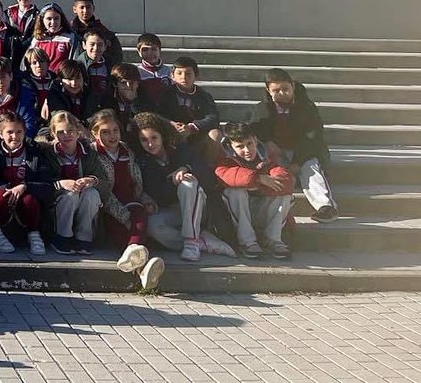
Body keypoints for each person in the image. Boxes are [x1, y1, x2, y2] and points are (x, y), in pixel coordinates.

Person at [132, 112, 233, 261]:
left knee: (188, 182)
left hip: (198, 206)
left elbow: (207, 174)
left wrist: (186, 168)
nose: (150, 144)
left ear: (162, 135)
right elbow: (159, 196)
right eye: (144, 140)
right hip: (173, 209)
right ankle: (203, 242)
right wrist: (171, 181)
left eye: (154, 138)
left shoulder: (178, 148)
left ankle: (192, 242)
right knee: (152, 225)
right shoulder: (143, 162)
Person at [88, 111, 165, 292]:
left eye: (115, 130)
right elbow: (103, 191)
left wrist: (146, 199)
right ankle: (142, 270)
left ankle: (136, 261)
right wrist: (121, 213)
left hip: (131, 202)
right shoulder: (92, 154)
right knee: (131, 225)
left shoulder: (126, 151)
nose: (112, 136)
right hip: (107, 208)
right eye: (106, 132)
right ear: (94, 133)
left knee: (139, 216)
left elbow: (135, 183)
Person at [249, 68, 338, 223]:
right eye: (276, 90)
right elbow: (255, 131)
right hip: (276, 151)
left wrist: (297, 161)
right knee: (273, 167)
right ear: (268, 90)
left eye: (285, 89)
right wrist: (269, 142)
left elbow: (313, 138)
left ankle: (326, 207)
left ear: (293, 86)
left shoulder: (307, 107)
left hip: (303, 150)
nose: (282, 94)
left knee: (310, 167)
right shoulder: (262, 108)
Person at [215, 122, 295, 260]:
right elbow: (227, 176)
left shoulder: (267, 159)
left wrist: (259, 183)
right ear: (230, 146)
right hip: (238, 218)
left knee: (285, 194)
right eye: (240, 146)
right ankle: (247, 242)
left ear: (255, 140)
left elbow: (287, 181)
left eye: (249, 143)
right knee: (234, 192)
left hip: (261, 212)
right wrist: (259, 179)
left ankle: (273, 239)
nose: (247, 150)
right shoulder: (224, 161)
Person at [0, 112, 51, 257]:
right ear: (0, 134)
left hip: (24, 197)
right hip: (3, 197)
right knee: (0, 196)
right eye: (10, 132)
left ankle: (33, 233)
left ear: (25, 132)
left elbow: (46, 183)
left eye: (19, 132)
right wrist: (3, 187)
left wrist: (25, 186)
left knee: (30, 200)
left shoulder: (34, 152)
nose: (15, 136)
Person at [41, 112, 107, 255]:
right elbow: (42, 182)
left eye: (70, 131)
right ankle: (62, 237)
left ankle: (83, 238)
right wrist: (60, 184)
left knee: (92, 194)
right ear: (53, 133)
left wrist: (92, 180)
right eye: (61, 132)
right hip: (58, 201)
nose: (67, 135)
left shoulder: (89, 153)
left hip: (83, 198)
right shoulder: (47, 153)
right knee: (70, 196)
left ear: (78, 133)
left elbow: (105, 182)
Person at [159, 56, 221, 147]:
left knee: (215, 134)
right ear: (172, 76)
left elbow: (213, 117)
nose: (183, 77)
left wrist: (192, 127)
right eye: (179, 73)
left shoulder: (204, 95)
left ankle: (207, 161)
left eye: (188, 74)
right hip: (173, 133)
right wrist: (173, 124)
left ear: (196, 76)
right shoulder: (167, 94)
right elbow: (159, 114)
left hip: (197, 133)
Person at [68, 0, 123, 68]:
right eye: (82, 7)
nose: (85, 11)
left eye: (88, 7)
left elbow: (116, 56)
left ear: (93, 8)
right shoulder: (68, 31)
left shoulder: (104, 32)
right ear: (74, 9)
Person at [29, 3, 77, 74]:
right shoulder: (37, 39)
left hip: (62, 79)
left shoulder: (70, 38)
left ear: (61, 19)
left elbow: (75, 62)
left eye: (56, 18)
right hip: (43, 80)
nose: (53, 22)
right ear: (42, 19)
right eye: (49, 19)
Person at [134, 32, 173, 107]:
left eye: (154, 49)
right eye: (145, 50)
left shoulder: (169, 71)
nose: (150, 53)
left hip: (166, 111)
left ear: (160, 50)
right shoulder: (136, 72)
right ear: (139, 52)